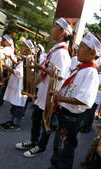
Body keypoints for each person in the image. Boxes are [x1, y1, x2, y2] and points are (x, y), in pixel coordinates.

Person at [15, 17, 75, 158]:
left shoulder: (62, 53)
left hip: (50, 95)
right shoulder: (55, 50)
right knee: (36, 117)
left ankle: (41, 146)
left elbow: (59, 75)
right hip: (44, 92)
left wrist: (39, 67)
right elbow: (47, 71)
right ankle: (34, 141)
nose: (51, 29)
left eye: (54, 27)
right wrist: (34, 83)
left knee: (46, 121)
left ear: (61, 33)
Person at [48, 32, 101, 169]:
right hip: (65, 113)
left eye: (82, 46)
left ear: (92, 53)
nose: (78, 49)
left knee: (65, 150)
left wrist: (61, 98)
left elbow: (85, 100)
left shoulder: (91, 73)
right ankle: (54, 166)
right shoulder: (80, 69)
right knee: (57, 146)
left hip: (72, 117)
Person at [0, 39, 34, 131]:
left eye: (23, 46)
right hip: (17, 85)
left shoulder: (29, 60)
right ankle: (12, 121)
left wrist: (5, 65)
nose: (21, 48)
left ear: (28, 50)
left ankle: (16, 124)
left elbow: (19, 73)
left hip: (21, 86)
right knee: (15, 105)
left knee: (19, 106)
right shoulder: (25, 58)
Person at [80, 59, 101, 133]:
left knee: (90, 112)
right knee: (86, 111)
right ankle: (83, 124)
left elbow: (100, 84)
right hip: (90, 95)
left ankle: (87, 126)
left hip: (96, 97)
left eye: (99, 65)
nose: (97, 66)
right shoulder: (95, 72)